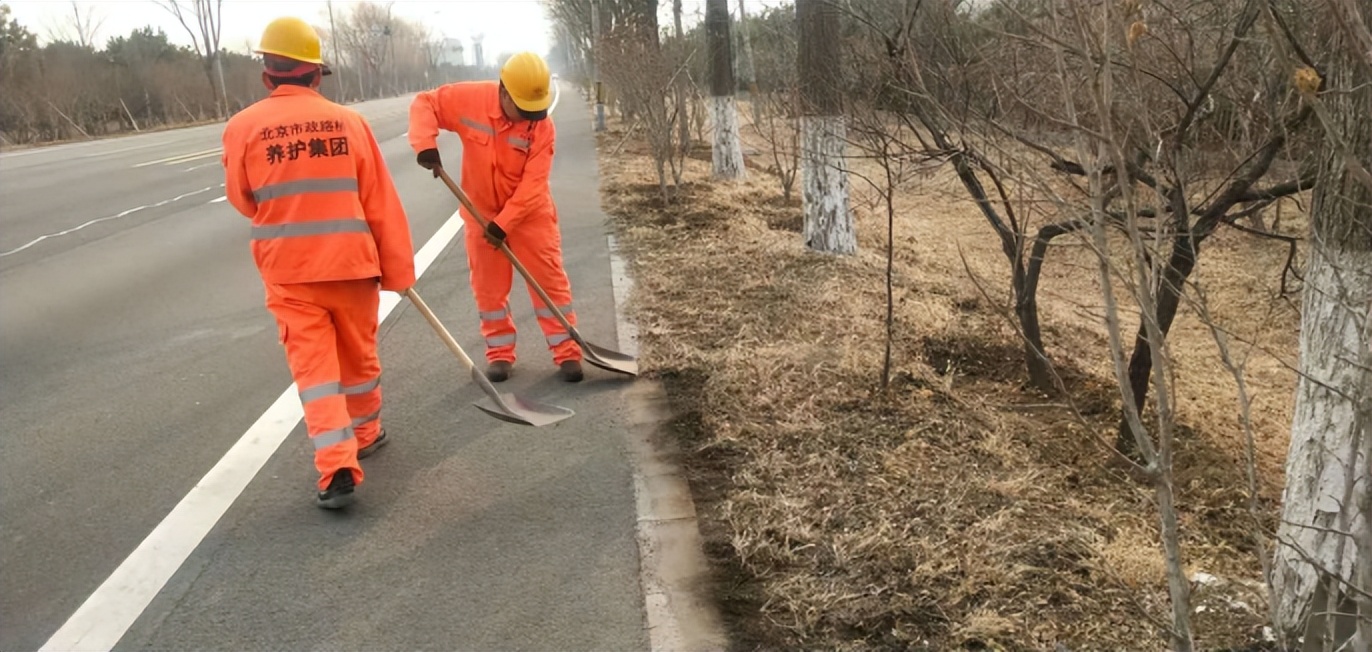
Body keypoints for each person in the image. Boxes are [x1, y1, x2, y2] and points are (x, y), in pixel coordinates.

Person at [221, 16, 415, 509]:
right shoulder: (351, 124)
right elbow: (380, 204)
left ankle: (335, 469)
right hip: (352, 266)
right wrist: (398, 270)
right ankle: (367, 433)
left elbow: (244, 200)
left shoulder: (242, 127)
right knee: (358, 359)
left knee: (315, 372)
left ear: (268, 76)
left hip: (288, 271)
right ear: (315, 75)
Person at [408, 51, 584, 384]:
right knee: (488, 292)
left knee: (549, 284)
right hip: (480, 212)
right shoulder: (469, 99)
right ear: (503, 92)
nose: (530, 117)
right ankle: (500, 354)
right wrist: (425, 145)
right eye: (524, 109)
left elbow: (534, 183)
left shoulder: (541, 127)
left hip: (530, 216)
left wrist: (505, 224)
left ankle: (568, 352)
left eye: (536, 109)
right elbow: (425, 103)